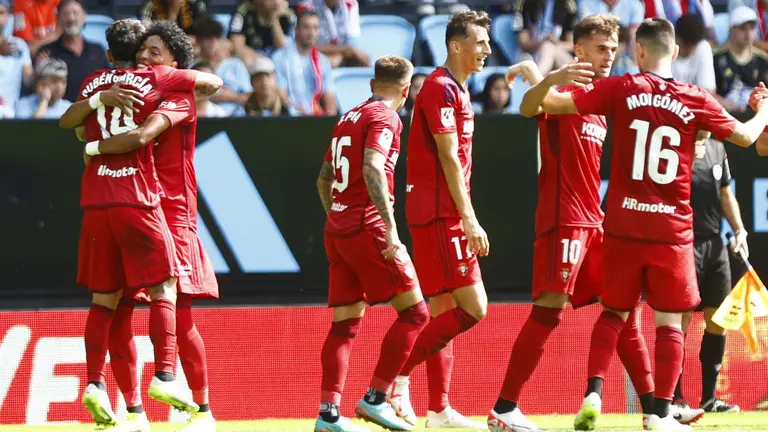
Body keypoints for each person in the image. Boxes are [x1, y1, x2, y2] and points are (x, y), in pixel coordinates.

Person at [522, 17, 768, 431]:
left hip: (621, 223)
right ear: (674, 53)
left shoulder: (620, 88)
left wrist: (548, 76)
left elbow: (545, 105)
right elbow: (745, 137)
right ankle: (658, 414)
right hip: (670, 231)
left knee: (613, 313)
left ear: (638, 52)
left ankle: (593, 394)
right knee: (670, 321)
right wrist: (764, 111)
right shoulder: (694, 98)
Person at [488, 14, 663, 432]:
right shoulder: (562, 92)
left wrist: (530, 68)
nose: (609, 56)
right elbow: (529, 106)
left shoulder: (597, 101)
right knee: (548, 313)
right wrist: (547, 76)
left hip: (594, 223)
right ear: (579, 49)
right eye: (600, 48)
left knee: (625, 313)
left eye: (613, 48)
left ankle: (657, 412)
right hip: (564, 221)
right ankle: (504, 408)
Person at [58, 18, 221, 429]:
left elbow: (211, 83)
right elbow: (81, 130)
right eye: (143, 50)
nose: (145, 58)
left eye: (155, 52)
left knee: (180, 316)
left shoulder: (177, 91)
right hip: (136, 205)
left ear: (172, 62)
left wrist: (93, 145)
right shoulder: (137, 86)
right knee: (122, 308)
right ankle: (134, 410)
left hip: (171, 211)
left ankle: (200, 410)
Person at [388, 10, 490, 429]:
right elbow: (448, 156)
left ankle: (439, 410)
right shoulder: (439, 89)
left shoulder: (458, 90)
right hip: (440, 213)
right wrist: (469, 217)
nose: (486, 49)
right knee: (475, 307)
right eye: (479, 42)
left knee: (444, 308)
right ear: (455, 45)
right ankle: (395, 380)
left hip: (438, 212)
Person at [314, 55, 426, 432]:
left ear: (372, 83)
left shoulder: (348, 117)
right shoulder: (386, 117)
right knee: (415, 314)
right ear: (406, 91)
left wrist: (337, 214)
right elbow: (372, 167)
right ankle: (377, 398)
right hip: (370, 226)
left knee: (344, 326)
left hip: (339, 230)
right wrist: (391, 231)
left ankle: (328, 414)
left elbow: (324, 177)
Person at [671, 132, 744, 414]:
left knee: (718, 322)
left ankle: (709, 399)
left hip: (715, 245)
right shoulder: (675, 145)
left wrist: (739, 230)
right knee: (681, 321)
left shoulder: (717, 148)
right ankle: (674, 398)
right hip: (682, 244)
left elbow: (726, 192)